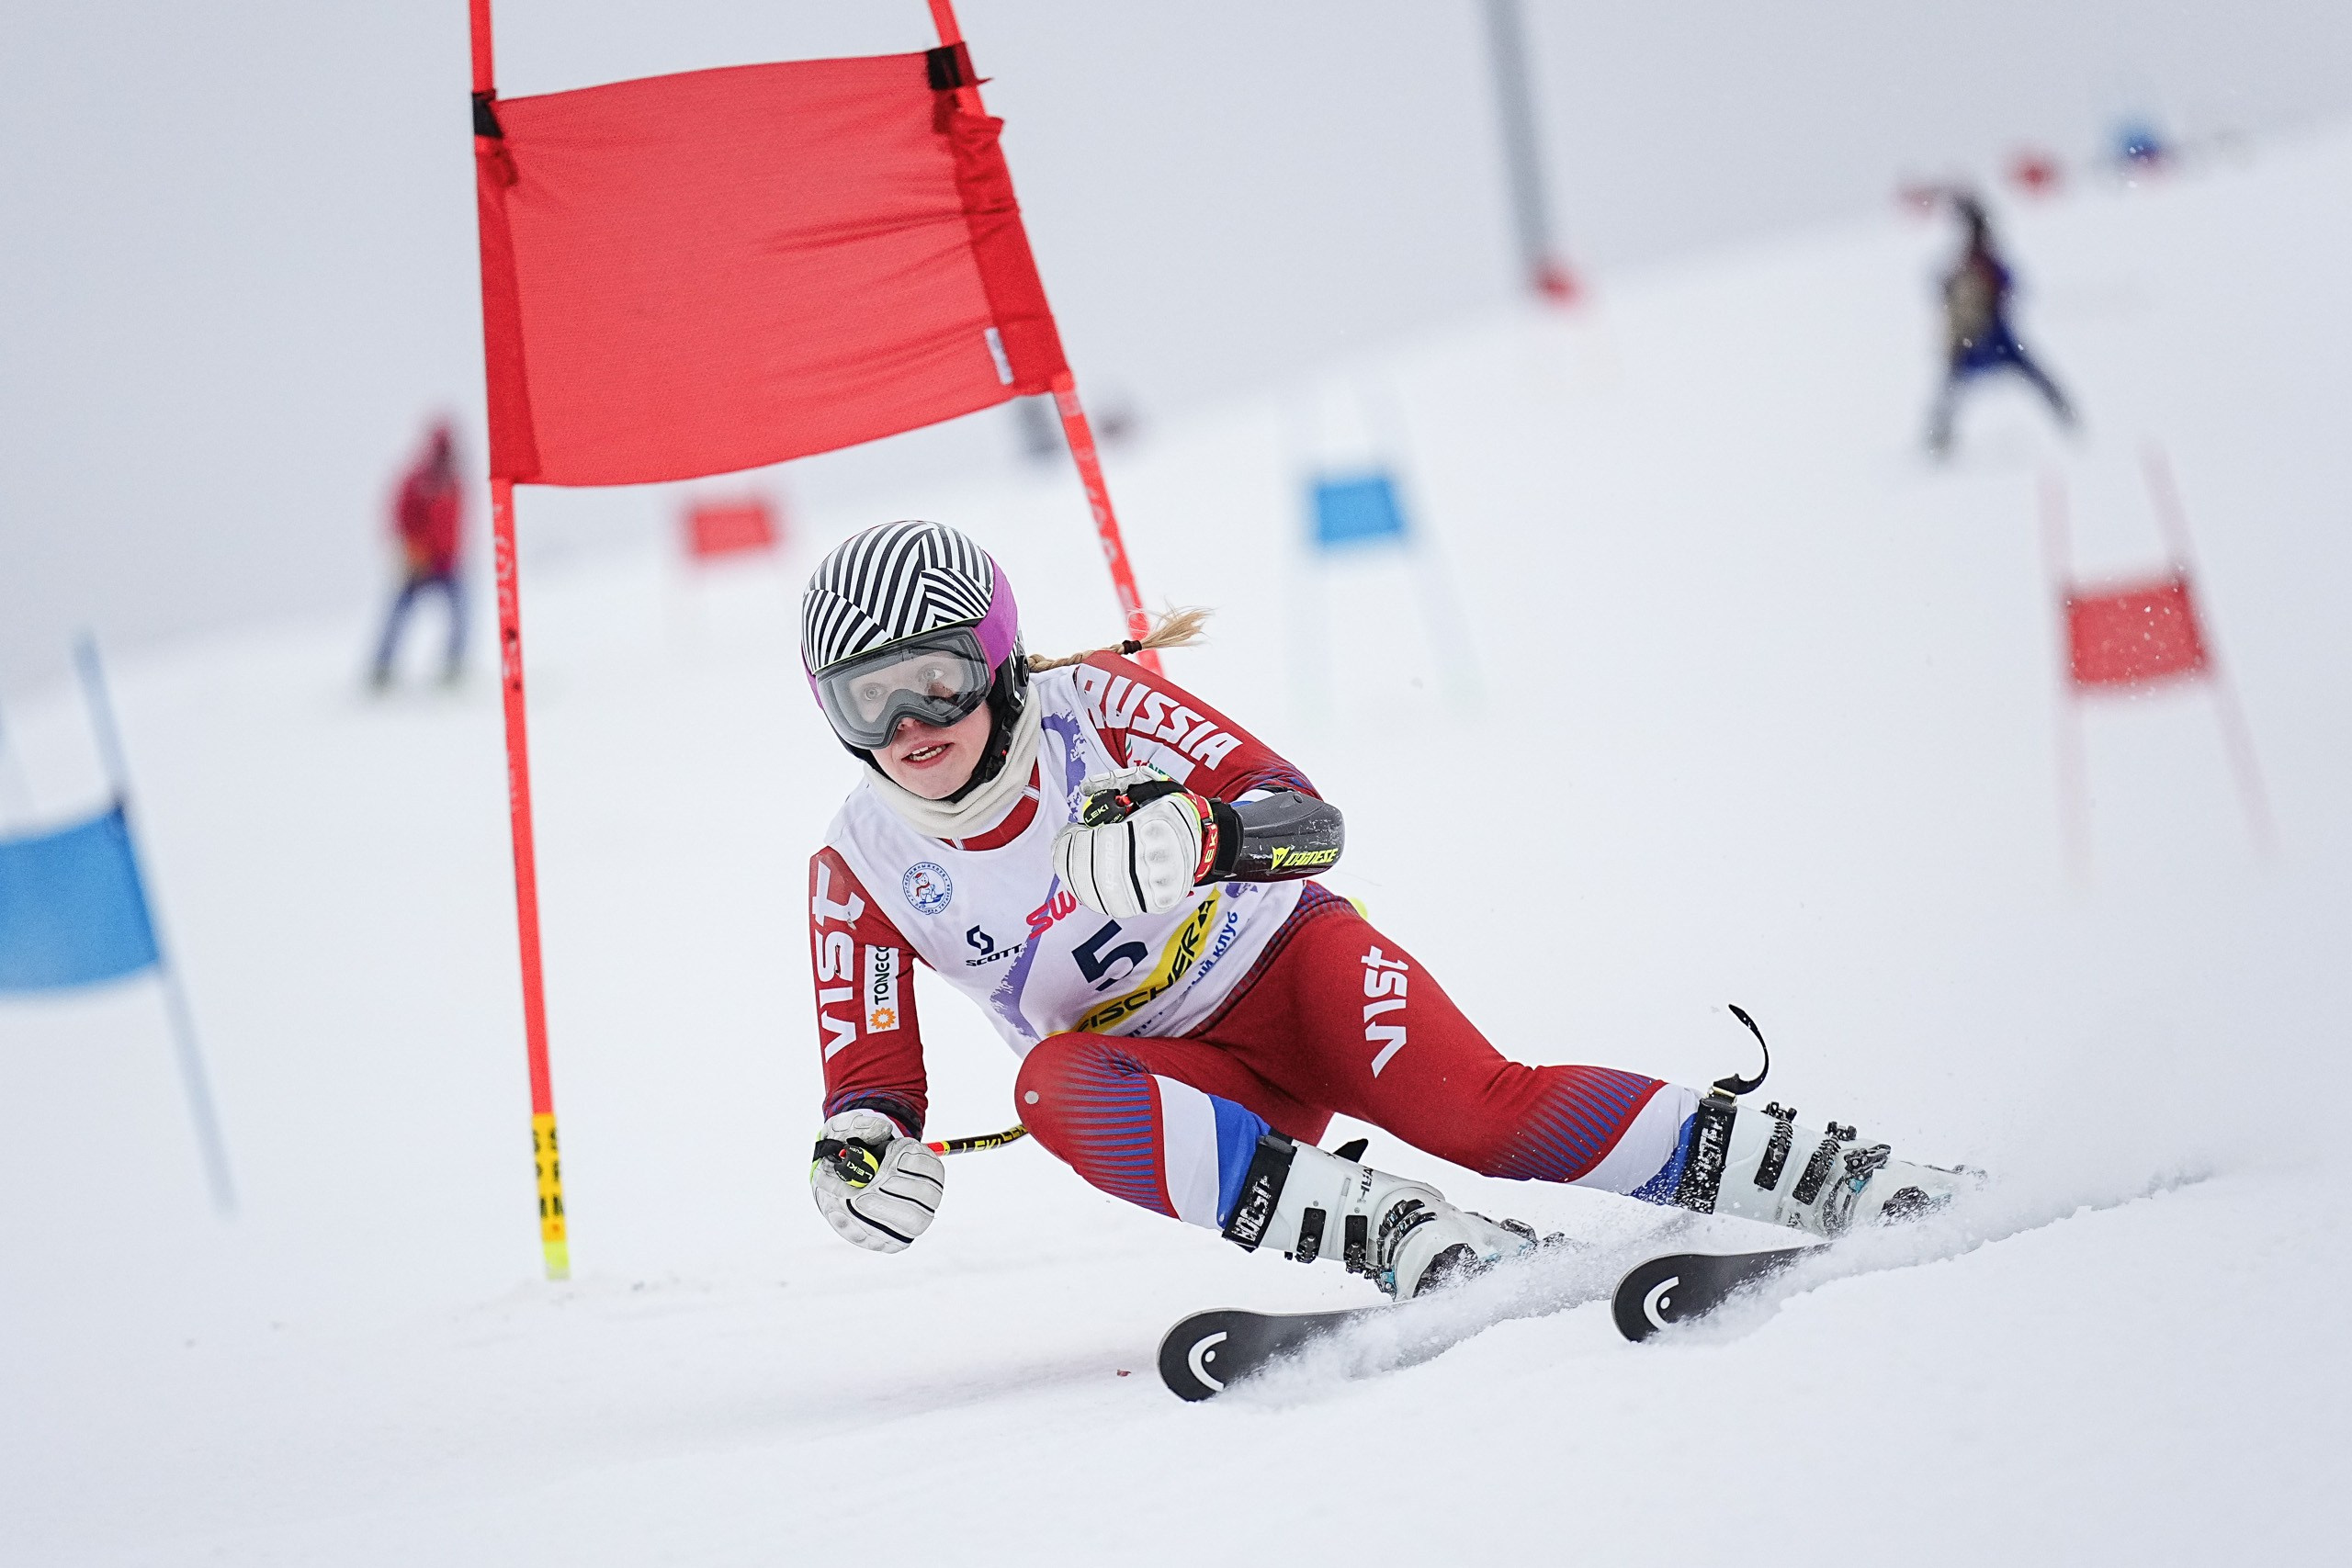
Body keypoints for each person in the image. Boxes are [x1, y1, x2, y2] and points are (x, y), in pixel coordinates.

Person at [802, 521, 1969, 1300]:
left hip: (1295, 976)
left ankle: (1821, 1173)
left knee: (1485, 1118)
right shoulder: (857, 865)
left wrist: (1205, 832)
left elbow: (1310, 824)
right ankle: (1397, 1233)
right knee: (1051, 1090)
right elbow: (871, 1089)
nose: (912, 725)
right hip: (1193, 1094)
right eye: (872, 700)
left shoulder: (1099, 705)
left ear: (998, 658)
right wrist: (859, 1156)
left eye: (939, 676)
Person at [1926, 193, 2076, 457]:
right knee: (1956, 387)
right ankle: (1938, 439)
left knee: (1956, 387)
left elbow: (2004, 286)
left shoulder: (1977, 264)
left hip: (1988, 333)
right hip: (1981, 335)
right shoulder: (1971, 265)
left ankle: (2066, 416)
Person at [370, 422, 465, 687]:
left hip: (447, 563)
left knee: (460, 615)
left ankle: (453, 667)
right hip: (419, 561)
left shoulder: (455, 482)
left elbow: (456, 523)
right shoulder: (417, 479)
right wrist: (410, 549)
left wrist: (453, 553)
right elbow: (399, 515)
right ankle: (382, 668)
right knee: (399, 614)